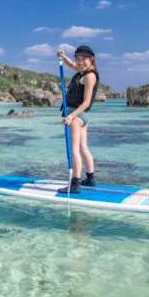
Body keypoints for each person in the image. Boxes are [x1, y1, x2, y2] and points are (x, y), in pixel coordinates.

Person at [57, 45, 99, 193]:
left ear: (91, 59)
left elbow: (87, 102)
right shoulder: (83, 72)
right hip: (82, 116)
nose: (80, 62)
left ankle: (75, 184)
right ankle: (90, 178)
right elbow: (72, 65)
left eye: (84, 59)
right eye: (78, 58)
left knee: (74, 149)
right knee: (83, 148)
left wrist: (71, 116)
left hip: (77, 115)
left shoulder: (89, 76)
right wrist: (63, 57)